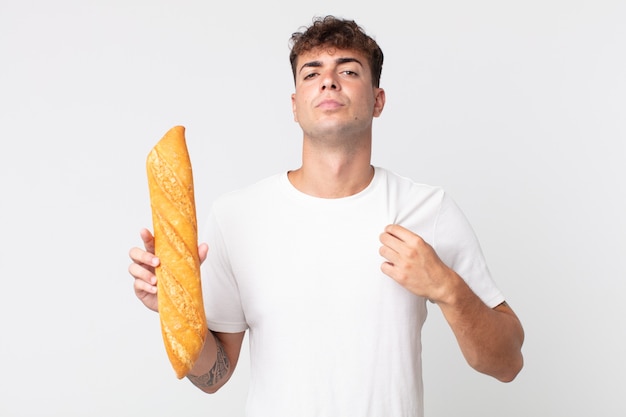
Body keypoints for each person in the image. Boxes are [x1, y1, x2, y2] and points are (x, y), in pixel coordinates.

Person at [129, 15, 524, 417]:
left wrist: (448, 288)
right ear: (295, 105)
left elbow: (508, 363)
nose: (329, 81)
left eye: (349, 71)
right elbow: (214, 375)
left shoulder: (427, 210)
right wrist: (177, 311)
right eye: (311, 73)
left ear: (378, 99)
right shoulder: (236, 217)